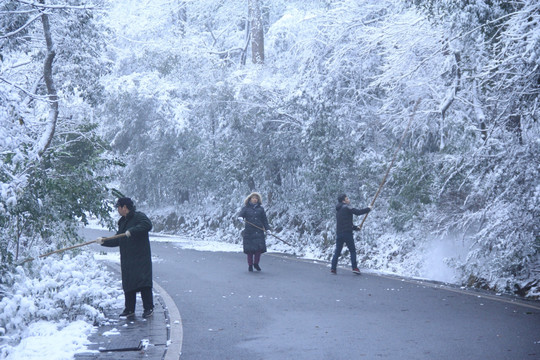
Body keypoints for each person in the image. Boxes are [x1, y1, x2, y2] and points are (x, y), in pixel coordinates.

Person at [96, 197, 154, 318]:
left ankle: (148, 308)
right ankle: (129, 309)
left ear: (124, 207)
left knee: (143, 283)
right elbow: (118, 239)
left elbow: (147, 225)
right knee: (129, 283)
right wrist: (103, 241)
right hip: (127, 258)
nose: (117, 209)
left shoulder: (139, 217)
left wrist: (132, 231)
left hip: (141, 257)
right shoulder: (122, 222)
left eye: (118, 207)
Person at [331, 194, 371, 275]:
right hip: (347, 233)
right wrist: (368, 209)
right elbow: (358, 212)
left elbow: (347, 223)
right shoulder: (347, 207)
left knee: (337, 252)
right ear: (343, 201)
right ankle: (355, 268)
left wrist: (356, 228)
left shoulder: (338, 211)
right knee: (352, 251)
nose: (348, 200)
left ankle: (333, 268)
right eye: (347, 198)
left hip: (339, 233)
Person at [237, 192, 271, 272]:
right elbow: (240, 215)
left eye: (256, 198)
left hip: (259, 231)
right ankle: (250, 265)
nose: (255, 199)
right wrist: (240, 218)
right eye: (253, 198)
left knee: (258, 250)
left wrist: (267, 229)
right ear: (250, 199)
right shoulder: (246, 208)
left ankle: (256, 263)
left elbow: (264, 220)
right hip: (249, 232)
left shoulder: (261, 209)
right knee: (250, 250)